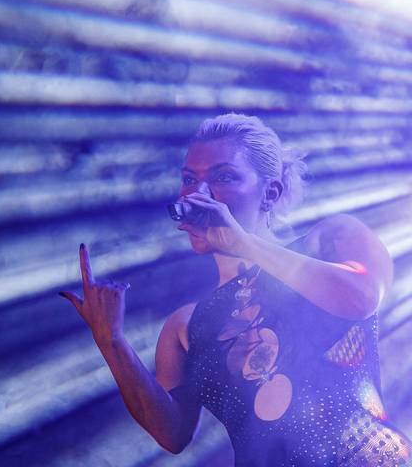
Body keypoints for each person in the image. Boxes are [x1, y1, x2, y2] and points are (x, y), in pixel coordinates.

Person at [59, 114, 411, 466]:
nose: (199, 194)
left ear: (270, 193)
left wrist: (244, 243)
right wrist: (112, 341)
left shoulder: (331, 239)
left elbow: (361, 297)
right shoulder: (185, 325)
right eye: (189, 179)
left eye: (223, 177)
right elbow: (172, 434)